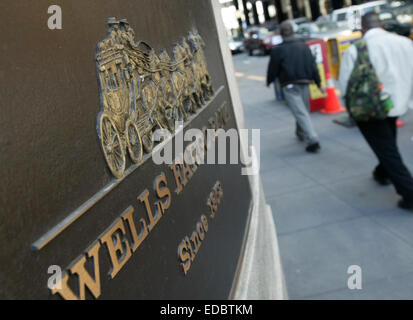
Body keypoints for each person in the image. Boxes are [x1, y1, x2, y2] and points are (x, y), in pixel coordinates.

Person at [339, 12, 413, 210]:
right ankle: (381, 173)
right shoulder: (405, 43)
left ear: (363, 29)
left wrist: (350, 108)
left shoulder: (357, 49)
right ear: (381, 25)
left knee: (387, 150)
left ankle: (409, 193)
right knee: (387, 144)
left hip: (369, 109)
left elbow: (345, 83)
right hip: (397, 104)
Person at [266, 20, 324, 153]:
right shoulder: (303, 46)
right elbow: (313, 65)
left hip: (290, 85)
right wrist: (319, 83)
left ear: (281, 34)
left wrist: (269, 81)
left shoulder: (278, 50)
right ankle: (301, 133)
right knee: (302, 110)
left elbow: (273, 68)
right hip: (305, 83)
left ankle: (313, 139)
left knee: (300, 111)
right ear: (293, 32)